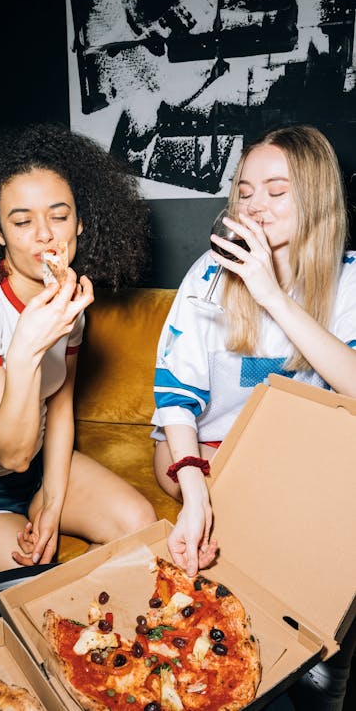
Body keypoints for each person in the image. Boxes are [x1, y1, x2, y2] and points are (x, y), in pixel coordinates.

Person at [151, 124, 356, 710]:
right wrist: (194, 489)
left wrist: (273, 295)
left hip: (294, 452)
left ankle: (324, 660)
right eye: (244, 191)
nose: (255, 205)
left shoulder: (348, 279)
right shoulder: (210, 274)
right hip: (199, 447)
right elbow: (174, 395)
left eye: (275, 189)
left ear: (315, 195)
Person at [0, 123, 157, 580]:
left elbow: (61, 406)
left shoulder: (67, 301)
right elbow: (10, 453)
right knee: (39, 585)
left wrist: (51, 500)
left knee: (141, 526)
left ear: (80, 223)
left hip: (34, 474)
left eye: (59, 215)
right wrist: (28, 345)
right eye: (22, 221)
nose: (45, 235)